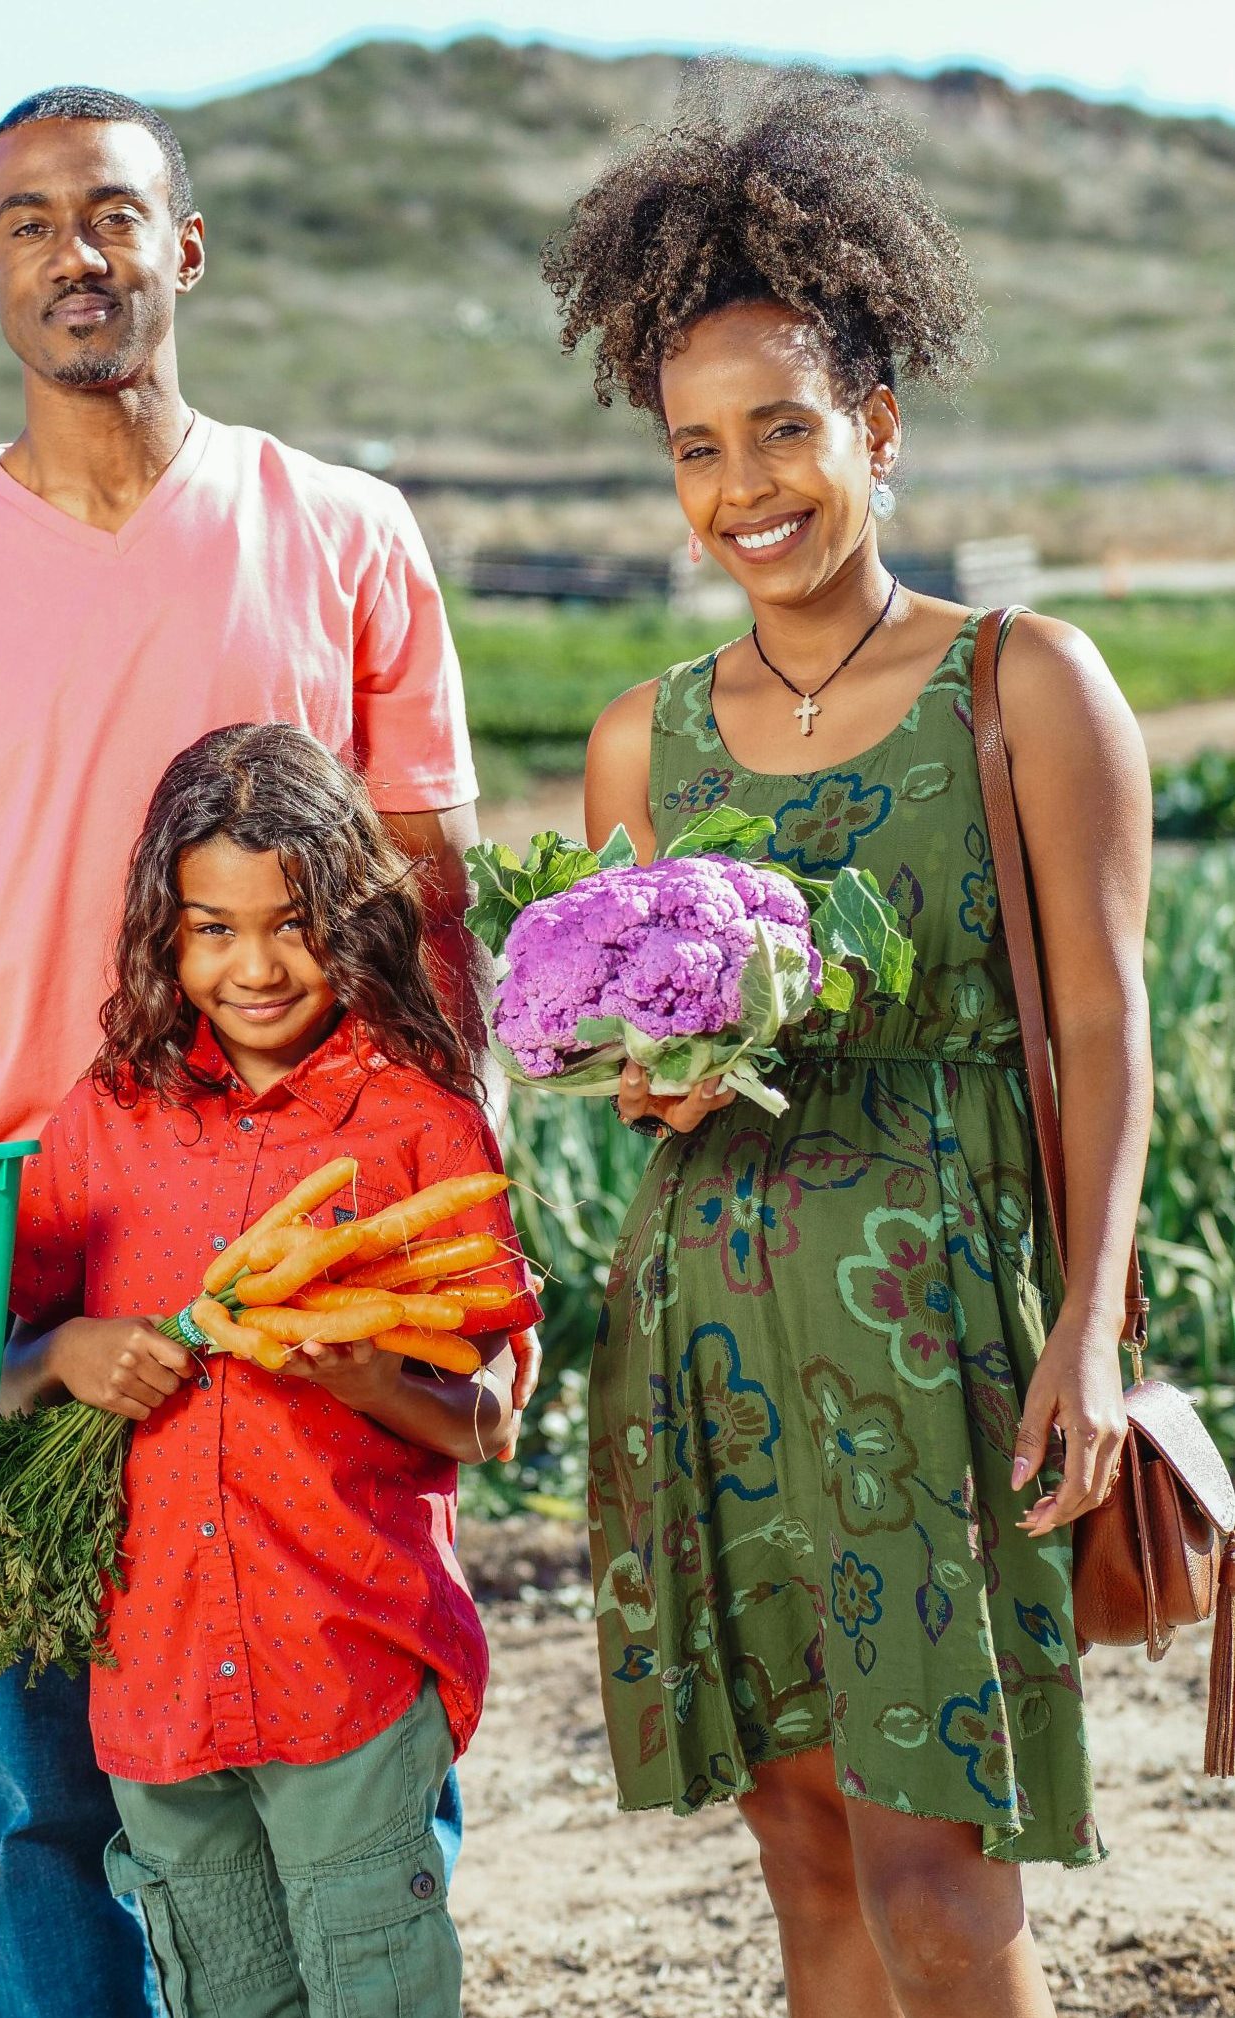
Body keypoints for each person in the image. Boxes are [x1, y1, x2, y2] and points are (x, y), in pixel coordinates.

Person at [0, 84, 537, 2017]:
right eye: (29, 222)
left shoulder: (344, 532)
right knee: (61, 1801)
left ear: (182, 249)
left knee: (346, 1739)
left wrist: (473, 1237)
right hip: (34, 1259)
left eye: (112, 213)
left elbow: (432, 904)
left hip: (313, 1253)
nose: (76, 252)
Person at [542, 67, 1152, 2018]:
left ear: (873, 429)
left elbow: (1096, 1008)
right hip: (711, 1329)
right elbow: (629, 1048)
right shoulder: (645, 734)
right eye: (696, 449)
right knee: (805, 1860)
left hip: (944, 1322)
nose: (746, 487)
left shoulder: (1022, 681)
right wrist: (642, 1079)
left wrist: (1093, 1321)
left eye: (785, 430)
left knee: (941, 1883)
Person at [2, 722, 538, 2018]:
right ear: (161, 930)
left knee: (377, 1994)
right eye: (209, 929)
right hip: (157, 1688)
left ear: (349, 914)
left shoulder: (416, 1124)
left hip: (341, 1664)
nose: (250, 965)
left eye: (287, 924)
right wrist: (63, 1353)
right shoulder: (108, 1118)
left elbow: (490, 1418)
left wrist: (366, 1377)